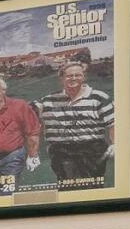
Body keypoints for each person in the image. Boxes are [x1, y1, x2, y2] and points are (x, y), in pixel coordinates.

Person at [37, 55, 114, 189]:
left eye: (77, 75)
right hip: (61, 151)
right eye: (68, 76)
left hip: (91, 150)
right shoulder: (48, 100)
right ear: (61, 78)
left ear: (84, 77)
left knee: (92, 189)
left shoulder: (100, 97)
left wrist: (115, 143)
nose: (73, 78)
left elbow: (113, 123)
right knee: (67, 189)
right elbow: (25, 111)